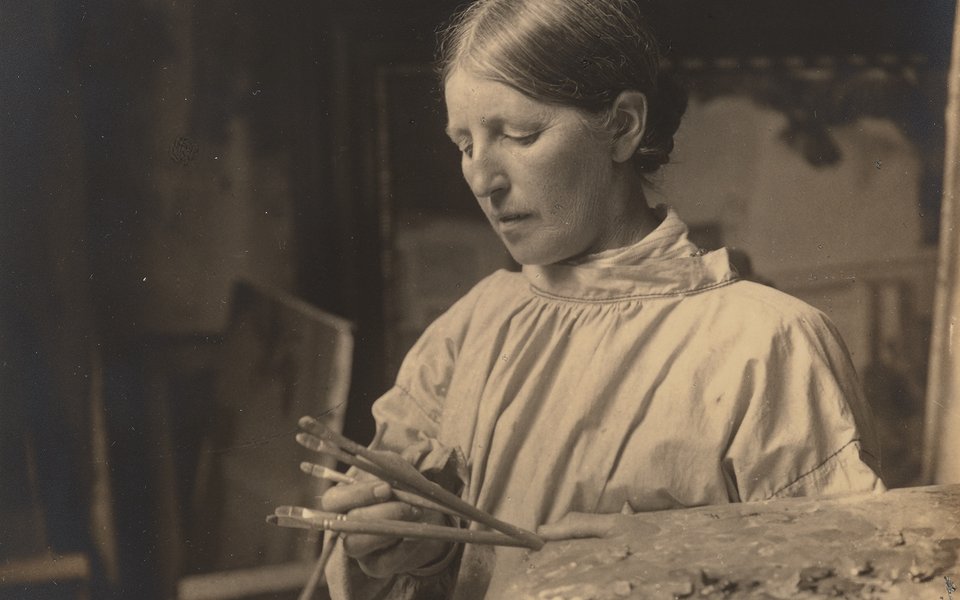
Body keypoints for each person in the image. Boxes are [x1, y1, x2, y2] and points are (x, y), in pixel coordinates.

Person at [316, 0, 884, 598]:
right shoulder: (472, 325)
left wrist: (689, 560)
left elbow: (855, 579)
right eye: (465, 145)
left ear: (621, 127)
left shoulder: (769, 345)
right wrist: (416, 549)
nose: (484, 179)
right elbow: (391, 559)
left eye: (518, 134)